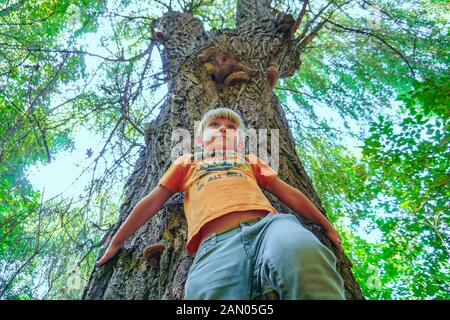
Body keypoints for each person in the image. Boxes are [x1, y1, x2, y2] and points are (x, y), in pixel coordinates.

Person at [96, 107, 346, 300]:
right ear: (199, 139)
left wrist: (327, 226)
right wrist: (118, 240)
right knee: (203, 293)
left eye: (231, 126)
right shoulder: (187, 162)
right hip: (215, 248)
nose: (223, 129)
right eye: (214, 125)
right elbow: (151, 202)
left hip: (268, 230)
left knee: (301, 252)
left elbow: (290, 194)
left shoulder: (248, 159)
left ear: (239, 140)